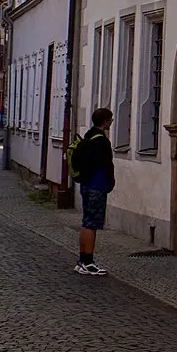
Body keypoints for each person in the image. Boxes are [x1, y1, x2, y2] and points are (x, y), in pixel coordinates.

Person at [74, 107, 115, 276]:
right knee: (92, 224)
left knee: (86, 222)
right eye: (110, 120)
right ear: (105, 122)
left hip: (86, 184)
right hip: (97, 186)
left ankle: (82, 260)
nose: (111, 122)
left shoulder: (89, 136)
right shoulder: (101, 141)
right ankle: (89, 262)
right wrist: (110, 182)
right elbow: (106, 165)